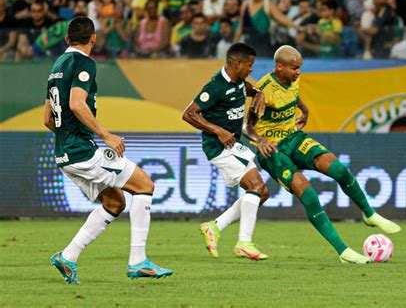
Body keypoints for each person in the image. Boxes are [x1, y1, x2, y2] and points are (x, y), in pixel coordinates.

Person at [244, 45, 401, 264]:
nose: (298, 72)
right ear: (279, 67)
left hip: (294, 137)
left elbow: (293, 95)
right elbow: (246, 127)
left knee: (338, 169)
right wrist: (260, 141)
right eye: (294, 68)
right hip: (273, 150)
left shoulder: (292, 79)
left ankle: (369, 214)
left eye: (300, 68)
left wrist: (305, 109)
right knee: (309, 195)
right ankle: (343, 252)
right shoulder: (264, 90)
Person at [44, 16, 172, 284]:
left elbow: (48, 119)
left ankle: (68, 257)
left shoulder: (57, 66)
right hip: (81, 152)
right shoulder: (83, 62)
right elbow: (78, 104)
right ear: (94, 38)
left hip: (64, 154)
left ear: (67, 39)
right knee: (145, 185)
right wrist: (106, 135)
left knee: (115, 202)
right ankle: (138, 261)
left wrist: (69, 138)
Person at [182, 43, 270, 260]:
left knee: (262, 193)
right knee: (256, 186)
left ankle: (215, 226)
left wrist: (258, 93)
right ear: (237, 63)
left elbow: (248, 89)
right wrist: (218, 130)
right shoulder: (216, 86)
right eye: (249, 65)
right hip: (219, 147)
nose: (252, 69)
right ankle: (244, 243)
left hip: (233, 145)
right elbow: (189, 114)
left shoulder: (239, 82)